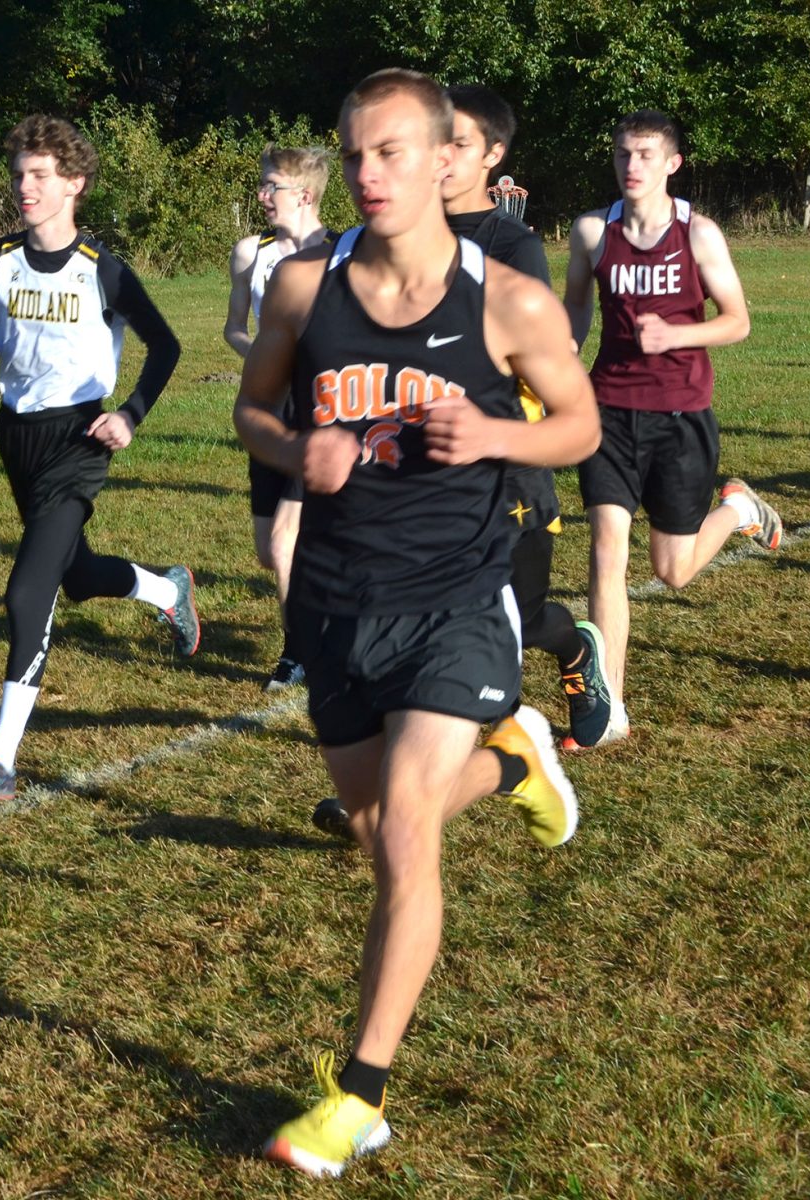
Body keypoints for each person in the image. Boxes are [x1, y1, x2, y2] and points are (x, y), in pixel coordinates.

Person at [233, 69, 599, 1178]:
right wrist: (298, 451)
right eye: (352, 155)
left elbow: (578, 426)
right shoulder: (306, 286)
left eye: (391, 152)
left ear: (448, 158)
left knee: (401, 830)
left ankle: (359, 1095)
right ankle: (519, 758)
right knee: (371, 825)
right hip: (338, 599)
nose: (368, 174)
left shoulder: (508, 300)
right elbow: (251, 407)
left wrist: (493, 439)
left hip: (458, 591)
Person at [0, 115, 193, 803]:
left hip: (80, 440)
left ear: (74, 183)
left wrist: (130, 415)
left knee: (29, 592)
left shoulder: (103, 270)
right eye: (20, 174)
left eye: (41, 176)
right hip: (16, 435)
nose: (25, 187)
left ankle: (0, 755)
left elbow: (166, 347)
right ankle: (169, 591)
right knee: (76, 574)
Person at [563, 109, 780, 745]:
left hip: (682, 414)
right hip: (606, 411)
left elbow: (738, 319)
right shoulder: (591, 233)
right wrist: (559, 367)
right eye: (623, 154)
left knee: (672, 570)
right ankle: (612, 710)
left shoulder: (699, 234)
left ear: (672, 164)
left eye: (646, 155)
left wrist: (677, 334)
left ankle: (736, 511)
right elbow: (577, 310)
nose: (632, 167)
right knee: (606, 555)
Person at [443, 82, 612, 748]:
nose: (440, 156)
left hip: (507, 464)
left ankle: (573, 650)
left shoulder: (511, 245)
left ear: (493, 153)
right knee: (438, 624)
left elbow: (532, 350)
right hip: (419, 460)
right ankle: (396, 774)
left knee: (523, 612)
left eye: (456, 143)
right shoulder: (392, 237)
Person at [225, 144, 332, 690]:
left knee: (289, 536)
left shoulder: (344, 255)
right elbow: (234, 329)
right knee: (271, 550)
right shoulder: (251, 252)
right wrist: (267, 361)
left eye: (273, 187)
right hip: (269, 406)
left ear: (305, 195)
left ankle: (299, 652)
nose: (263, 195)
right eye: (263, 185)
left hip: (325, 408)